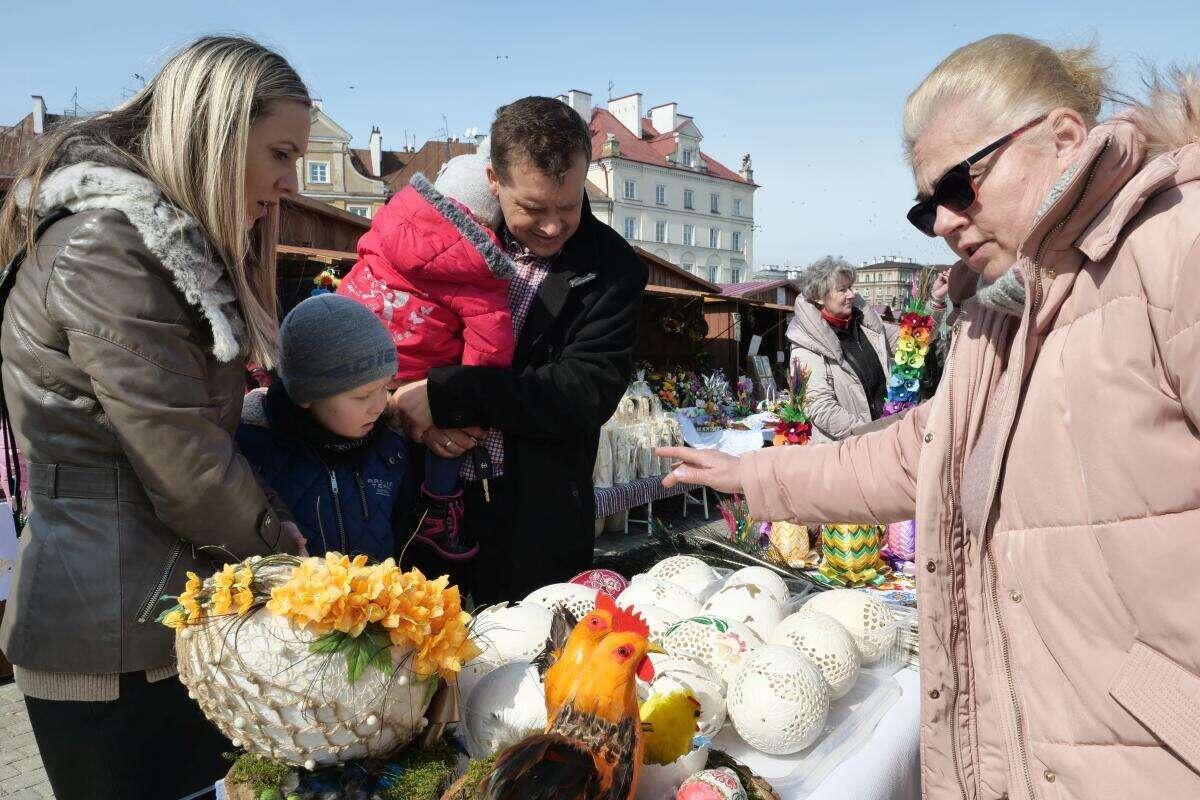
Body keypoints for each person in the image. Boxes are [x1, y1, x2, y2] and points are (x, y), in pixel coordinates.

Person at [661, 34, 1200, 799]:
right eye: (925, 207)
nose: (944, 221)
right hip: (1030, 749)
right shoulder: (998, 317)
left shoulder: (1177, 248)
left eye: (959, 184)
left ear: (1063, 137)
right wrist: (751, 473)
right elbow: (913, 453)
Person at [0, 36, 309, 799]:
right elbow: (183, 460)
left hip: (142, 611)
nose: (289, 181)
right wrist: (290, 559)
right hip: (110, 635)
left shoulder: (145, 244)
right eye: (279, 153)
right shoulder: (107, 248)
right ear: (216, 133)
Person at [389, 96, 649, 604]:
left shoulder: (614, 268)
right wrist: (405, 405)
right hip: (423, 502)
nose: (552, 226)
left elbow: (582, 392)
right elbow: (394, 328)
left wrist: (447, 396)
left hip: (535, 522)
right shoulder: (442, 235)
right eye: (532, 208)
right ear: (494, 180)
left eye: (568, 206)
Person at [338, 147, 515, 562]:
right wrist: (465, 404)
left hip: (352, 348)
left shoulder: (390, 223)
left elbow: (360, 262)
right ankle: (438, 505)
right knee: (451, 432)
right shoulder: (479, 268)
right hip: (417, 373)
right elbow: (489, 350)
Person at [237, 294, 410, 562]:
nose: (378, 406)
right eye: (362, 396)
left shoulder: (390, 450)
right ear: (307, 394)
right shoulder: (253, 450)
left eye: (385, 387)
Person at [787, 261, 897, 443]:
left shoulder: (865, 326)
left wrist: (936, 300)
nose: (851, 294)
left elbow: (913, 340)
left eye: (851, 287)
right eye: (842, 290)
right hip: (849, 448)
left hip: (885, 439)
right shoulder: (806, 344)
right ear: (819, 297)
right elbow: (820, 408)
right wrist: (870, 435)